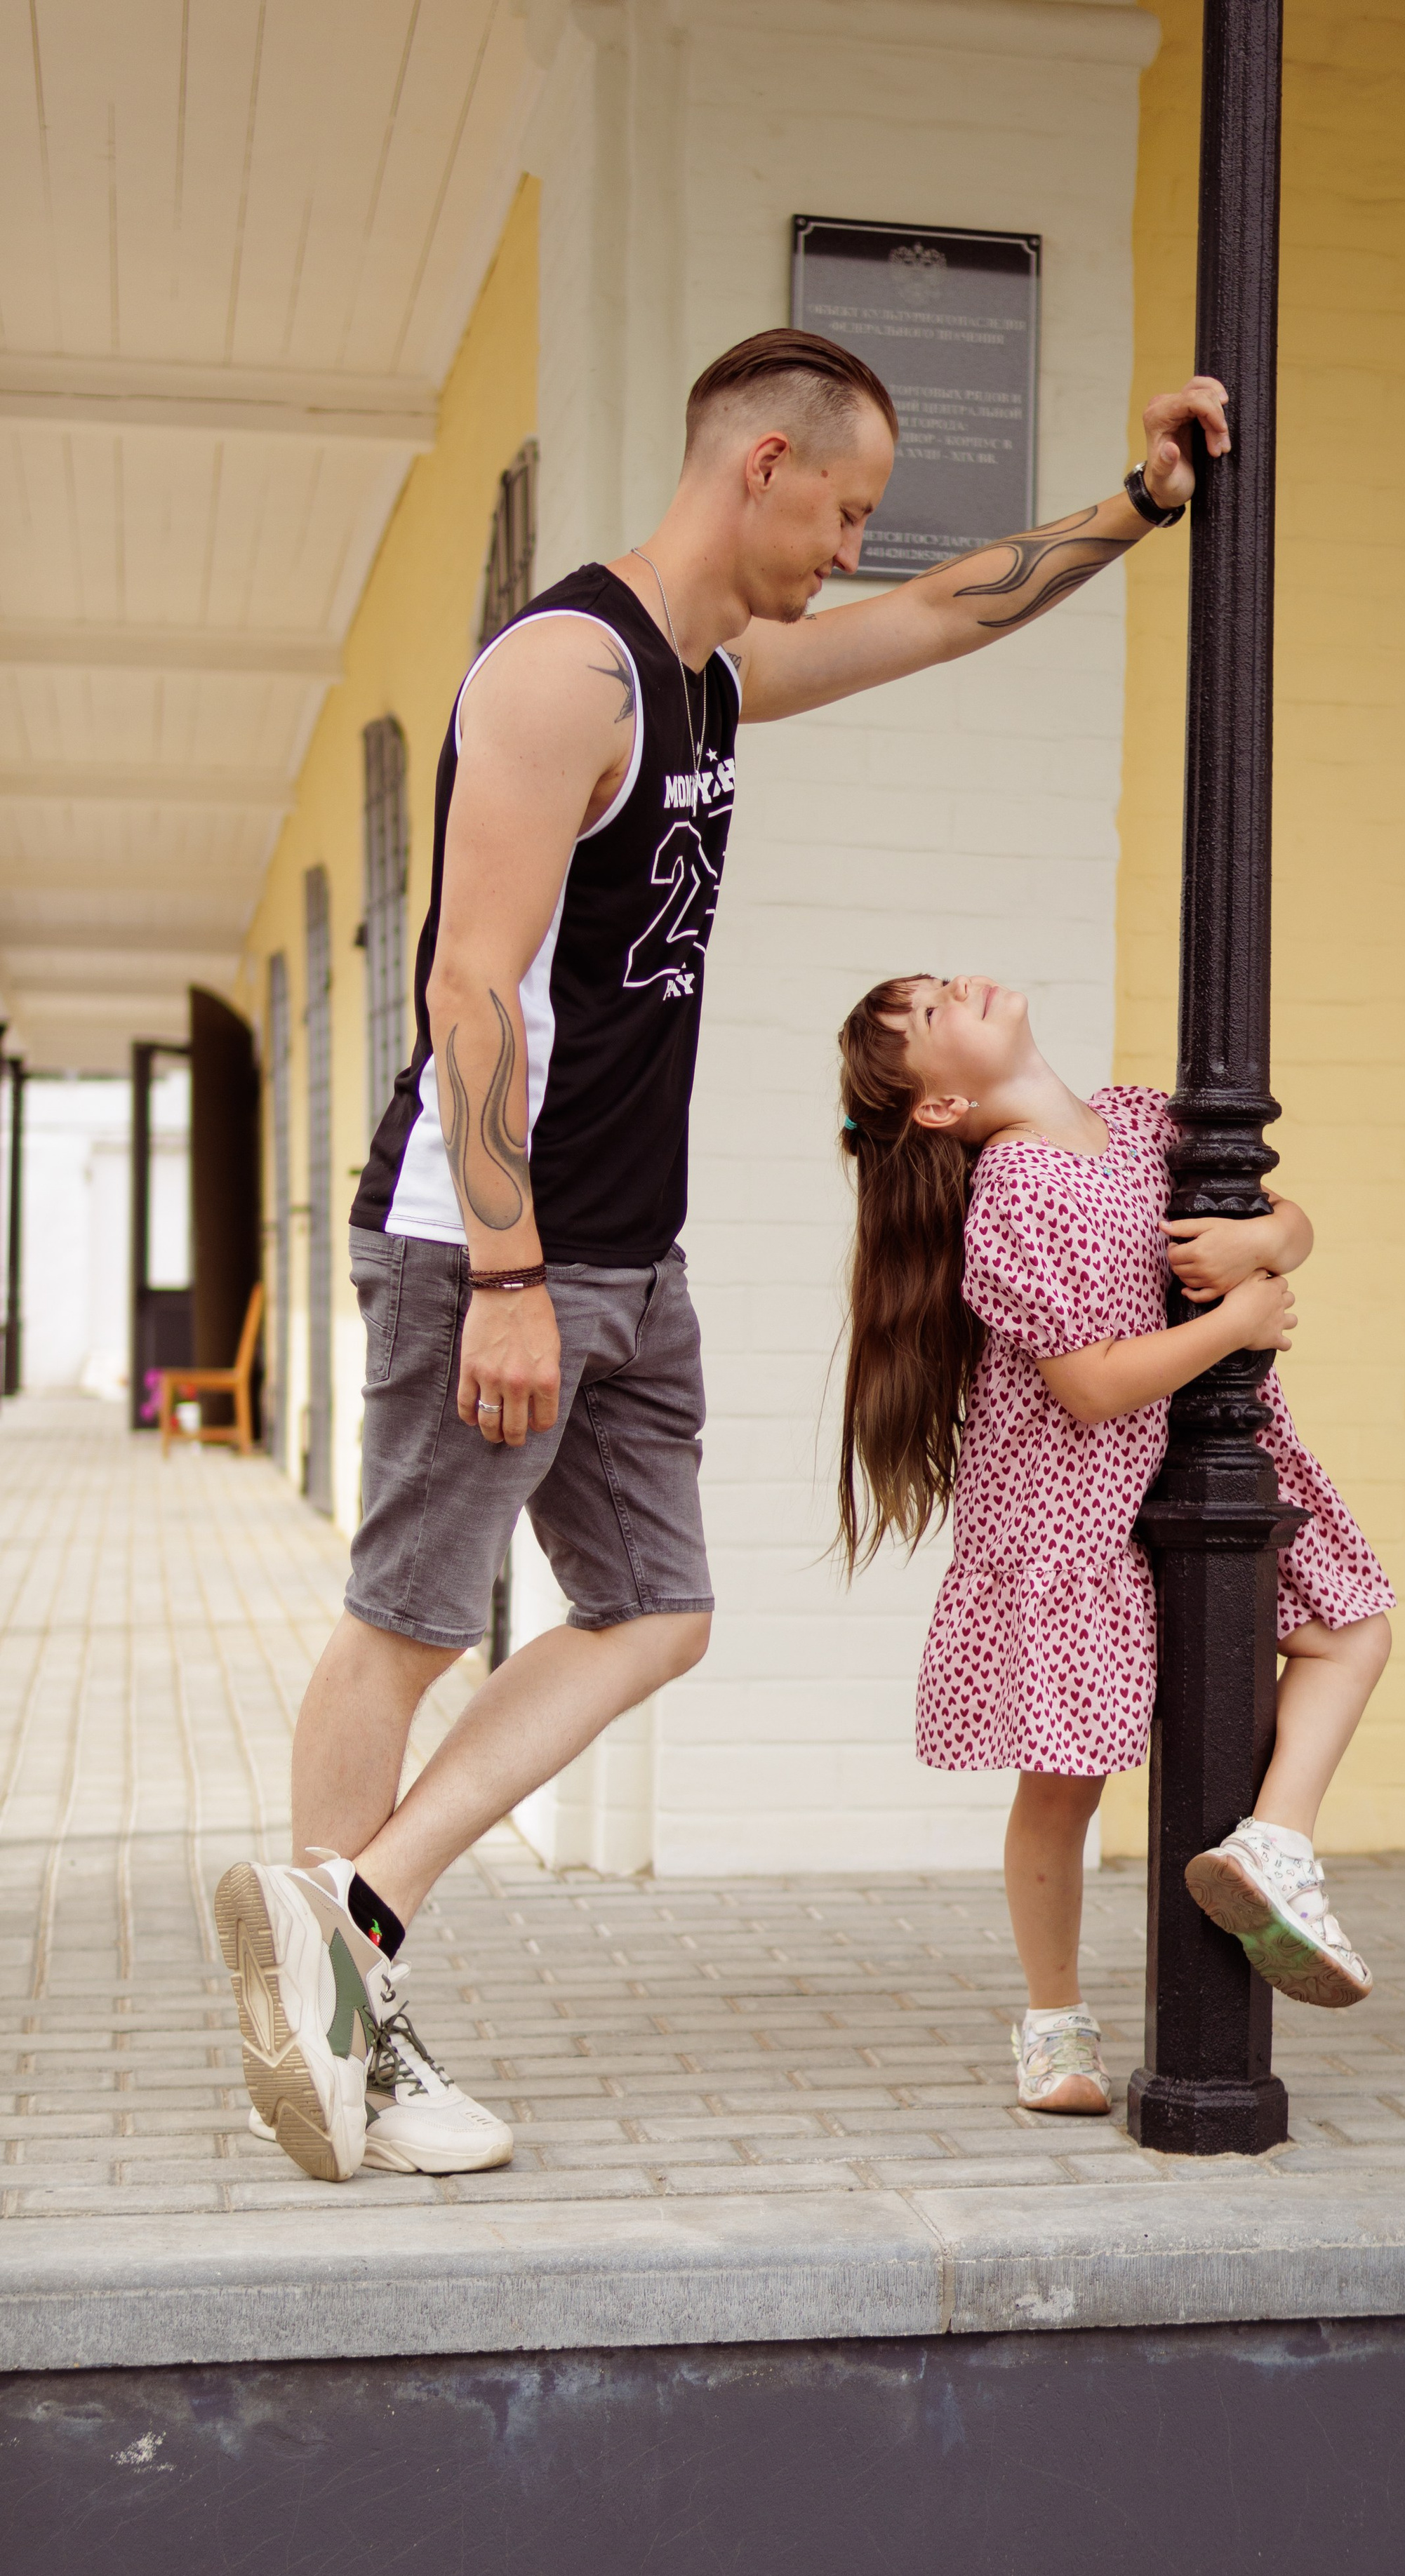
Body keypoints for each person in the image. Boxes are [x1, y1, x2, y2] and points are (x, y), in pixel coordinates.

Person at [214, 326, 1236, 2184]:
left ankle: (343, 1928)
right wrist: (513, 1273)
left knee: (658, 1609)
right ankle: (351, 2029)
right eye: (840, 509)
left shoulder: (707, 680)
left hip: (628, 1248)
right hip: (492, 1247)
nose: (851, 551)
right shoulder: (565, 671)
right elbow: (470, 979)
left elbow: (945, 616)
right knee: (413, 1621)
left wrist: (1142, 508)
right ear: (758, 465)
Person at [835, 972, 1394, 2116]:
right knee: (1068, 1780)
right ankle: (1052, 2023)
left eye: (941, 984)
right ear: (941, 1108)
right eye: (936, 1015)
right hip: (1070, 1504)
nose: (962, 991)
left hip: (1203, 1463)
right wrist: (1240, 1321)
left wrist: (1263, 1248)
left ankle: (1276, 1845)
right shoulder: (1018, 1192)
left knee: (1351, 1631)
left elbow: (1290, 1216)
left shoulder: (1143, 1122)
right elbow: (1088, 1387)